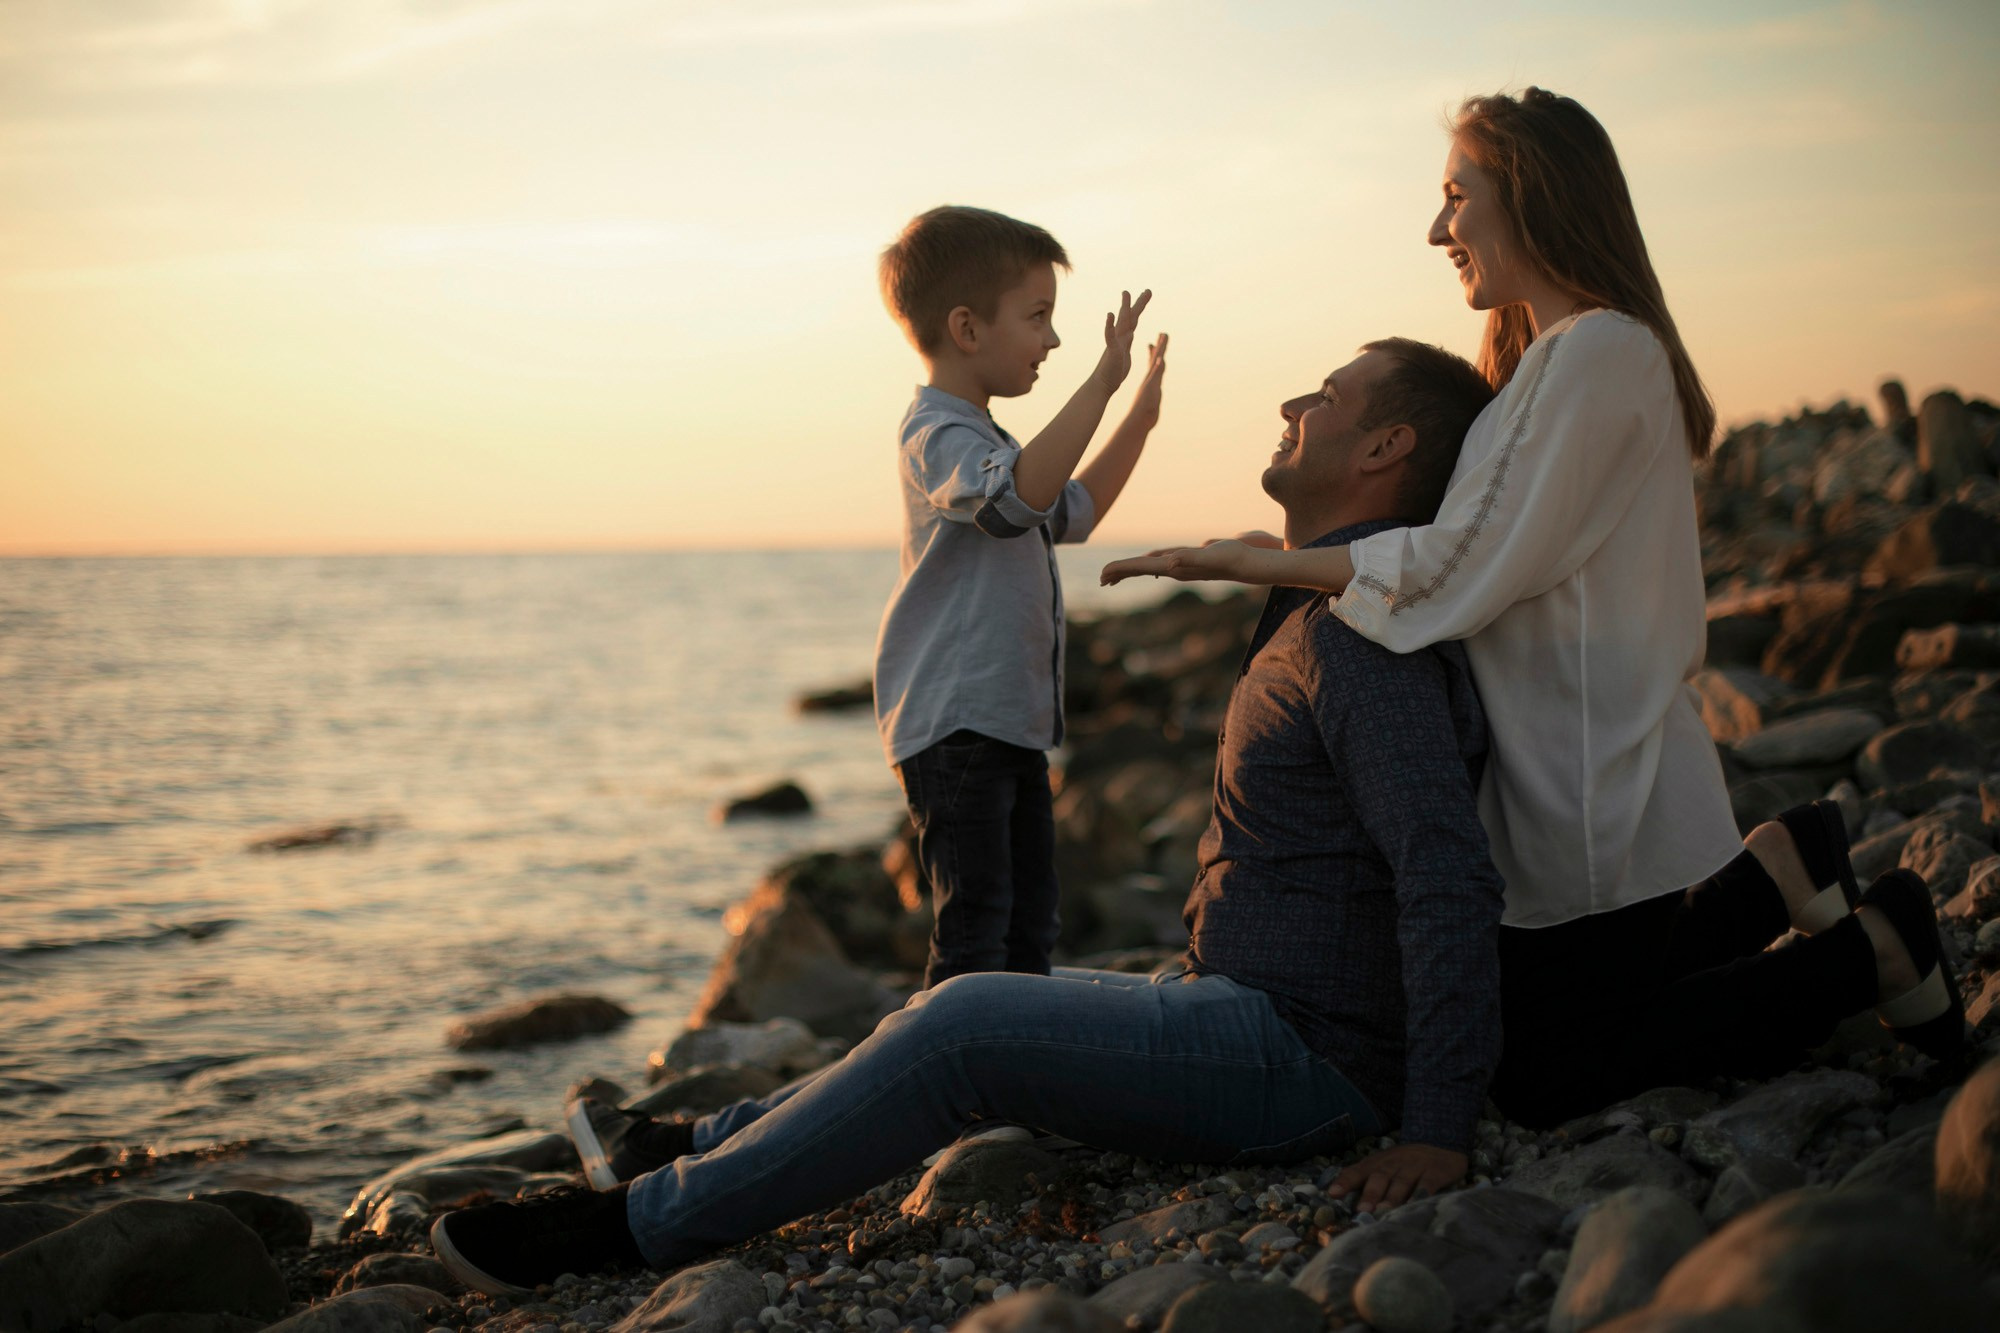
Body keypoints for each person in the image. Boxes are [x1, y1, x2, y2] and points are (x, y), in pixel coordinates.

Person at [427, 337, 1506, 1295]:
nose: (1290, 405)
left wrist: (1438, 1128)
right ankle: (685, 1143)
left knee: (963, 1027)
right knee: (964, 1003)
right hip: (1245, 1008)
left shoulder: (1360, 640)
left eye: (1323, 395)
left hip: (1303, 1060)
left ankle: (625, 1231)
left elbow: (1444, 871)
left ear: (1382, 448)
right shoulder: (1315, 603)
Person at [1102, 87, 1965, 1126]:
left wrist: (1253, 568)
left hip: (1586, 762)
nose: (1436, 230)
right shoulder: (1540, 368)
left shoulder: (1602, 353)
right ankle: (1772, 871)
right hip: (1549, 759)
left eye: (1454, 196)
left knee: (1543, 1069)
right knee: (1549, 1019)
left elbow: (1473, 560)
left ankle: (1869, 950)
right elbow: (1468, 551)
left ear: (1530, 193)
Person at [872, 205, 1166, 988]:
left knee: (1031, 927)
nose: (1055, 340)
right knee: (974, 932)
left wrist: (1135, 418)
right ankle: (952, 1098)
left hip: (1010, 723)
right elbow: (1011, 506)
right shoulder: (936, 434)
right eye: (1038, 317)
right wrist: (1100, 385)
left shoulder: (995, 442)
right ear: (967, 329)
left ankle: (1008, 1089)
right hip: (957, 723)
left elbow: (1070, 510)